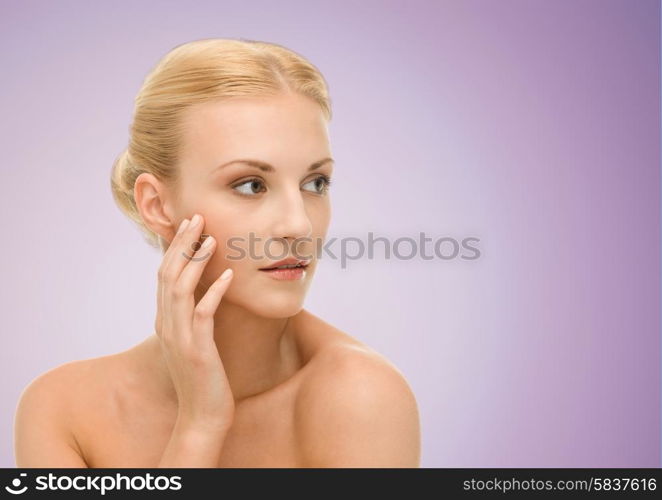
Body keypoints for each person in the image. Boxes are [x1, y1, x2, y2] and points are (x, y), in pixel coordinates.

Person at [14, 38, 421, 468]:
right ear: (157, 204)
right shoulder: (62, 412)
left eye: (315, 183)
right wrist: (200, 425)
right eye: (251, 185)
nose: (299, 225)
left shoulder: (360, 398)